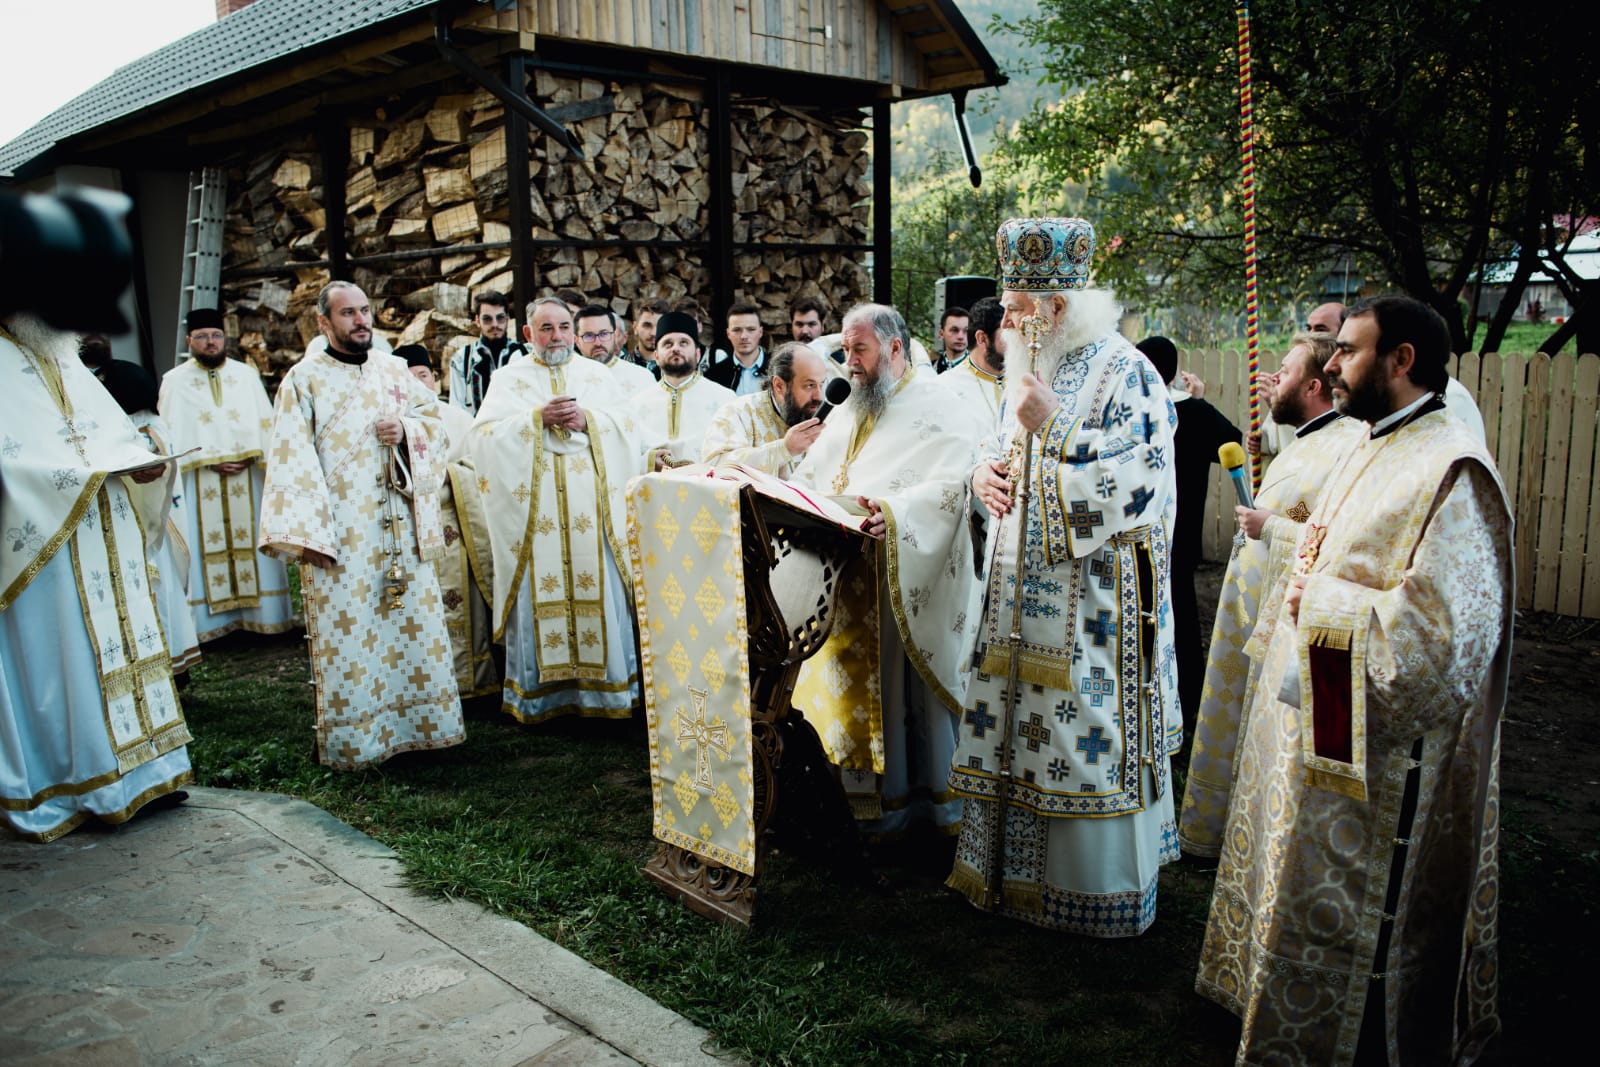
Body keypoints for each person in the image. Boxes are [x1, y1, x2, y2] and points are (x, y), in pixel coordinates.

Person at [1196, 295, 1511, 1065]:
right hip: (1323, 711)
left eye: (1350, 351)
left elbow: (1445, 642)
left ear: (1402, 361)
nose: (1330, 365)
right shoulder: (1369, 443)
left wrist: (1324, 604)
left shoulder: (1453, 469)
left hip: (1379, 751)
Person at [947, 216, 1181, 937]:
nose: (1005, 317)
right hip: (1017, 598)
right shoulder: (1032, 368)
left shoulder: (1126, 369)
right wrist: (980, 474)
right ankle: (1004, 882)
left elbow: (1139, 483)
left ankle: (1088, 893)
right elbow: (1001, 449)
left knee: (1078, 728)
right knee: (1015, 723)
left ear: (1056, 307)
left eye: (1018, 304)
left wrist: (1056, 431)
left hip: (1094, 609)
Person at [790, 303, 987, 834]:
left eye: (861, 350)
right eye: (846, 350)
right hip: (839, 571)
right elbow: (816, 470)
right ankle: (843, 800)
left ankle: (909, 804)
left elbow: (955, 486)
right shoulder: (851, 404)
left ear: (895, 348)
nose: (850, 362)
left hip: (898, 574)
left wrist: (898, 517)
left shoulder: (939, 404)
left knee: (902, 694)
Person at [1, 313, 193, 841]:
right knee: (68, 657)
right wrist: (80, 478)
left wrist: (140, 460)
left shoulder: (66, 358)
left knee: (126, 645)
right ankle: (79, 784)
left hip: (107, 535)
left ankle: (147, 774)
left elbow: (107, 436)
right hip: (44, 548)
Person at [260, 282, 464, 768]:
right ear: (323, 323)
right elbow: (290, 458)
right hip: (344, 534)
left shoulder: (393, 371)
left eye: (365, 311)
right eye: (348, 313)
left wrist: (406, 433)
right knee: (355, 637)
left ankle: (423, 729)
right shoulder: (303, 381)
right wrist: (309, 537)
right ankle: (360, 740)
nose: (360, 321)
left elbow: (436, 422)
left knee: (411, 629)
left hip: (400, 526)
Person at [1177, 331, 1361, 858]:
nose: (1272, 378)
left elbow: (1330, 540)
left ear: (1313, 385)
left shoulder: (1344, 449)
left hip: (1286, 623)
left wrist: (1270, 527)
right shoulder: (1307, 440)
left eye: (1284, 370)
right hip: (1252, 612)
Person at [469, 297, 647, 724]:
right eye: (545, 328)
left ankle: (606, 694)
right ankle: (540, 695)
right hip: (536, 517)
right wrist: (535, 419)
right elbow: (482, 439)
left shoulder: (597, 378)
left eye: (564, 327)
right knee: (538, 594)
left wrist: (589, 422)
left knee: (599, 590)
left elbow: (630, 431)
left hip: (593, 512)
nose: (557, 336)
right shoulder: (509, 379)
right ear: (528, 334)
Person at [157, 308, 295, 645]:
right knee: (202, 545)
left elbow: (266, 424)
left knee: (254, 545)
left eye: (216, 336)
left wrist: (251, 456)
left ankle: (263, 619)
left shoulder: (246, 376)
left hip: (248, 478)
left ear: (225, 338)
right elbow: (170, 432)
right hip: (198, 480)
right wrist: (206, 459)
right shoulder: (174, 381)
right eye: (202, 337)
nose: (210, 342)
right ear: (190, 340)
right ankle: (208, 626)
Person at [1135, 335, 1241, 735]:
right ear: (1175, 372)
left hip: (1140, 532)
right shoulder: (1193, 413)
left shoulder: (1136, 409)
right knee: (1179, 611)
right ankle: (1187, 697)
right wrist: (1198, 401)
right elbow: (1231, 443)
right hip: (1180, 535)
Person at [83, 338, 201, 678]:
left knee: (155, 585)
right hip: (118, 527)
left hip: (142, 528)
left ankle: (169, 666)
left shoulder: (136, 409)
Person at [399, 344, 498, 698]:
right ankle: (423, 684)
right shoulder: (389, 426)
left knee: (462, 604)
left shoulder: (457, 419)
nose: (417, 385)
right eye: (407, 379)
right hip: (409, 530)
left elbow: (483, 467)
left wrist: (449, 477)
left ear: (435, 378)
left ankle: (472, 678)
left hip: (456, 527)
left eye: (422, 376)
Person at [701, 341, 827, 477]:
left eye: (821, 384)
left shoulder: (828, 417)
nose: (819, 396)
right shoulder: (737, 413)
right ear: (779, 386)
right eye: (809, 385)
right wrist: (783, 449)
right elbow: (716, 467)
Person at [634, 310, 735, 466]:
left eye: (683, 343)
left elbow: (735, 452)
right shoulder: (637, 403)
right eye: (667, 343)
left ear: (698, 354)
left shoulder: (726, 399)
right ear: (656, 356)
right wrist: (647, 461)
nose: (675, 348)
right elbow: (627, 453)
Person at [446, 290, 525, 416]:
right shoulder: (461, 360)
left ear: (508, 318)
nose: (495, 324)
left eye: (500, 318)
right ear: (477, 320)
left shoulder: (524, 355)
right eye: (487, 319)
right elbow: (456, 409)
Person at [933, 295, 1005, 429]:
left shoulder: (1026, 382)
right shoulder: (945, 388)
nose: (1018, 344)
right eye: (1008, 335)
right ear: (982, 339)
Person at [576, 304, 655, 396]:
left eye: (604, 334)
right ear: (576, 341)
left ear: (614, 336)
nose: (598, 343)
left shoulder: (642, 377)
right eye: (588, 336)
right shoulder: (567, 378)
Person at [705, 302, 768, 394]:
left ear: (760, 332)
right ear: (728, 334)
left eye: (751, 329)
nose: (744, 336)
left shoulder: (778, 370)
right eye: (737, 330)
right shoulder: (714, 376)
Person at [631, 297, 668, 373]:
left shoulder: (676, 369)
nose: (653, 333)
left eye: (660, 326)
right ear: (635, 328)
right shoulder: (620, 366)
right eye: (647, 325)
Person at [933, 306, 970, 373]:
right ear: (941, 334)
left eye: (966, 331)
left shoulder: (982, 370)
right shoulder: (931, 370)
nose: (960, 337)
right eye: (954, 330)